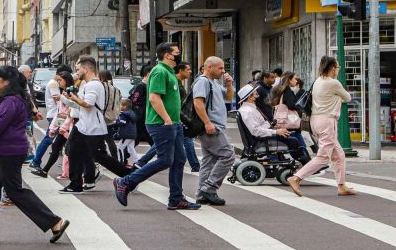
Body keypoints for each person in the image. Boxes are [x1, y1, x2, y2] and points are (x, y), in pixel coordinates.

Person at [0, 65, 70, 243]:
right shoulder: (9, 99)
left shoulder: (11, 101)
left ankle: (55, 222)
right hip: (3, 150)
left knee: (14, 191)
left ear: (7, 82)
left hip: (9, 151)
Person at [113, 43, 200, 210]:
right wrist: (167, 119)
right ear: (167, 55)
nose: (179, 56)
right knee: (165, 159)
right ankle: (125, 182)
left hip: (173, 124)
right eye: (176, 53)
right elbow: (154, 98)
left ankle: (176, 198)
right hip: (161, 123)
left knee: (179, 160)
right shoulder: (160, 71)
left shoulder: (169, 73)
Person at [286, 56, 354, 197]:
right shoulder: (333, 83)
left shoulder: (318, 81)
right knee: (323, 157)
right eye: (338, 67)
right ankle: (296, 178)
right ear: (333, 68)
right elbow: (348, 97)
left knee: (339, 155)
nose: (338, 70)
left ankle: (342, 186)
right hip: (327, 121)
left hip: (315, 120)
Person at [61, 56, 130, 194]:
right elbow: (81, 105)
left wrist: (73, 98)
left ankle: (130, 176)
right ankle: (76, 183)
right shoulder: (88, 84)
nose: (76, 71)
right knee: (74, 150)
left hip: (92, 127)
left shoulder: (93, 85)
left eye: (78, 68)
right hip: (85, 126)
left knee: (99, 156)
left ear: (86, 69)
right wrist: (66, 99)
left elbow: (88, 104)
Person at [192, 57, 236, 206]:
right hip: (211, 126)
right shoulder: (203, 81)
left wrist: (229, 84)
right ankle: (208, 188)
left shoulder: (214, 82)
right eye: (220, 68)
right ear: (209, 67)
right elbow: (198, 103)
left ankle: (202, 193)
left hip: (214, 125)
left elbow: (229, 97)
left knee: (209, 160)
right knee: (228, 155)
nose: (223, 71)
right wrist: (207, 122)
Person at [236, 86, 311, 165]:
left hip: (260, 138)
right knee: (294, 140)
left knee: (291, 136)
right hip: (260, 141)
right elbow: (256, 131)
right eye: (256, 94)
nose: (257, 96)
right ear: (250, 97)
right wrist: (276, 131)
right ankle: (307, 163)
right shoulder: (248, 111)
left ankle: (307, 162)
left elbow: (259, 127)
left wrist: (271, 125)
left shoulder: (248, 109)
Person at [30, 71, 74, 178]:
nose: (58, 82)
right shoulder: (63, 93)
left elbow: (64, 113)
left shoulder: (68, 94)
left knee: (69, 149)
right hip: (64, 125)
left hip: (69, 126)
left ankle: (81, 173)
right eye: (57, 80)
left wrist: (55, 127)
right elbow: (61, 113)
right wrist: (54, 128)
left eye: (60, 80)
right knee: (57, 147)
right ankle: (46, 170)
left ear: (66, 81)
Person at [269, 71, 312, 163]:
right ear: (289, 79)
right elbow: (291, 105)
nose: (296, 81)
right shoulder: (287, 91)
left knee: (296, 144)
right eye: (295, 78)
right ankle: (308, 163)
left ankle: (308, 162)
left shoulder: (278, 89)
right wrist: (299, 105)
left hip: (281, 122)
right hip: (289, 123)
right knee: (300, 145)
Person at [113, 99, 139, 164]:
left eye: (120, 105)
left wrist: (114, 123)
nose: (119, 106)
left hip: (126, 134)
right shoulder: (131, 113)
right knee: (131, 149)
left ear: (124, 106)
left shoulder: (123, 114)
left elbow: (122, 123)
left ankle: (121, 162)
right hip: (132, 134)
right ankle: (137, 162)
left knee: (120, 147)